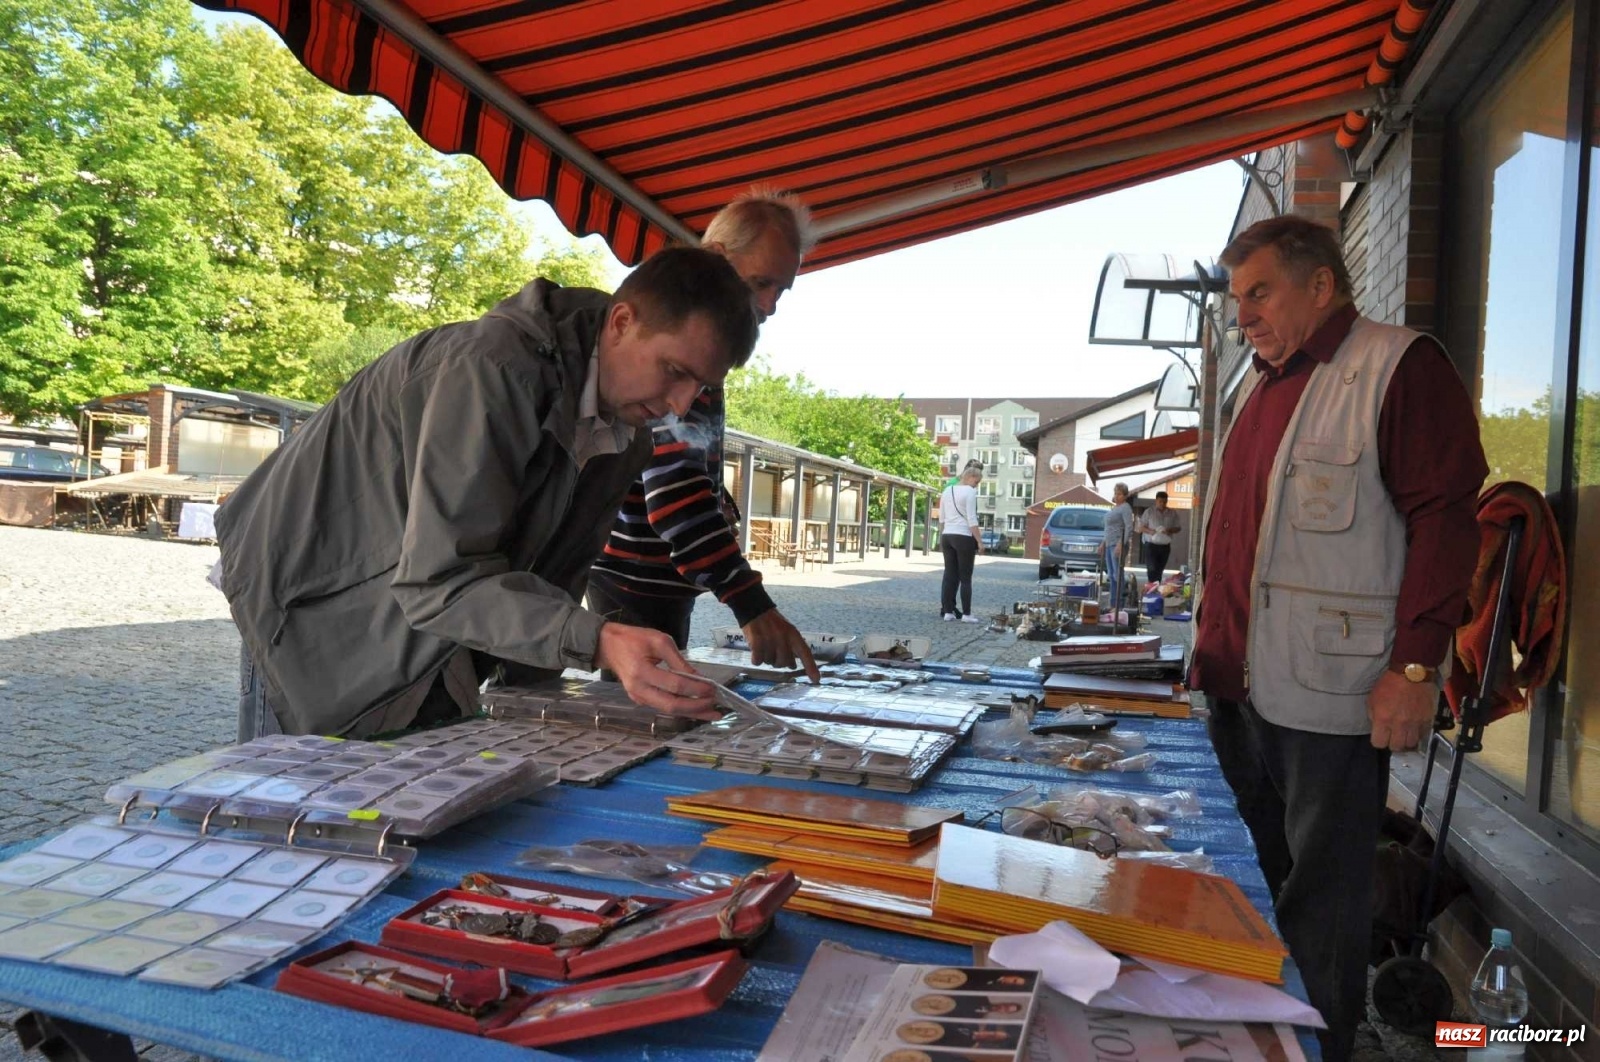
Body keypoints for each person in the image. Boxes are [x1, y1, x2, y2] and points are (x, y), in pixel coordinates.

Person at [214, 246, 759, 740]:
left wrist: (535, 704)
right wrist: (597, 640)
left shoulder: (628, 432)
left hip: (416, 607)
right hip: (307, 605)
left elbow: (557, 573)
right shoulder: (491, 372)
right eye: (674, 371)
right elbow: (440, 581)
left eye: (700, 388)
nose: (681, 406)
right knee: (294, 818)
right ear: (621, 323)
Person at [1189, 215, 1486, 1062]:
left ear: (1321, 285)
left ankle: (1317, 1047)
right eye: (1237, 297)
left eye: (1261, 292)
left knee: (1323, 898)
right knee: (1259, 881)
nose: (1244, 313)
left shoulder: (1395, 366)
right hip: (1236, 681)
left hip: (1328, 692)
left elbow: (1445, 518)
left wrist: (1417, 665)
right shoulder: (1261, 381)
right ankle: (1262, 1036)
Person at [586, 189, 820, 680]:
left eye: (782, 290)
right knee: (640, 716)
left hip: (649, 576)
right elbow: (675, 496)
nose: (770, 305)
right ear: (716, 259)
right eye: (761, 283)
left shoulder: (693, 359)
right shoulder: (684, 358)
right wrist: (751, 604)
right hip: (632, 579)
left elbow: (678, 474)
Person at [937, 466, 984, 623]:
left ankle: (948, 612)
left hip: (947, 536)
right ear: (970, 476)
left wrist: (942, 537)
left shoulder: (947, 490)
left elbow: (941, 518)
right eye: (976, 482)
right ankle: (967, 614)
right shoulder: (969, 492)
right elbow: (972, 519)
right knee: (965, 577)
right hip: (963, 536)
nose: (976, 485)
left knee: (950, 575)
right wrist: (979, 541)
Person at [1101, 483, 1134, 615]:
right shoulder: (1115, 508)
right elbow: (1108, 528)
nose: (1117, 496)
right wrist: (1103, 543)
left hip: (1117, 544)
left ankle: (1118, 605)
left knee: (1117, 574)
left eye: (1119, 493)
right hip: (1109, 543)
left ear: (1125, 495)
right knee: (1111, 574)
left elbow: (1128, 527)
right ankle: (1112, 603)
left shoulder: (1125, 508)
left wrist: (1121, 543)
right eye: (1115, 493)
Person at [1137, 490, 1181, 587]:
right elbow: (1140, 527)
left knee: (1160, 569)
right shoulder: (1149, 512)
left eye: (1164, 502)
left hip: (1164, 545)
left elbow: (1178, 528)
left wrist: (1169, 530)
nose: (1162, 504)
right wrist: (1150, 531)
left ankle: (1156, 586)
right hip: (1151, 544)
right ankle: (1151, 586)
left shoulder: (1172, 513)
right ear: (1156, 501)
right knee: (1152, 567)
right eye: (1160, 502)